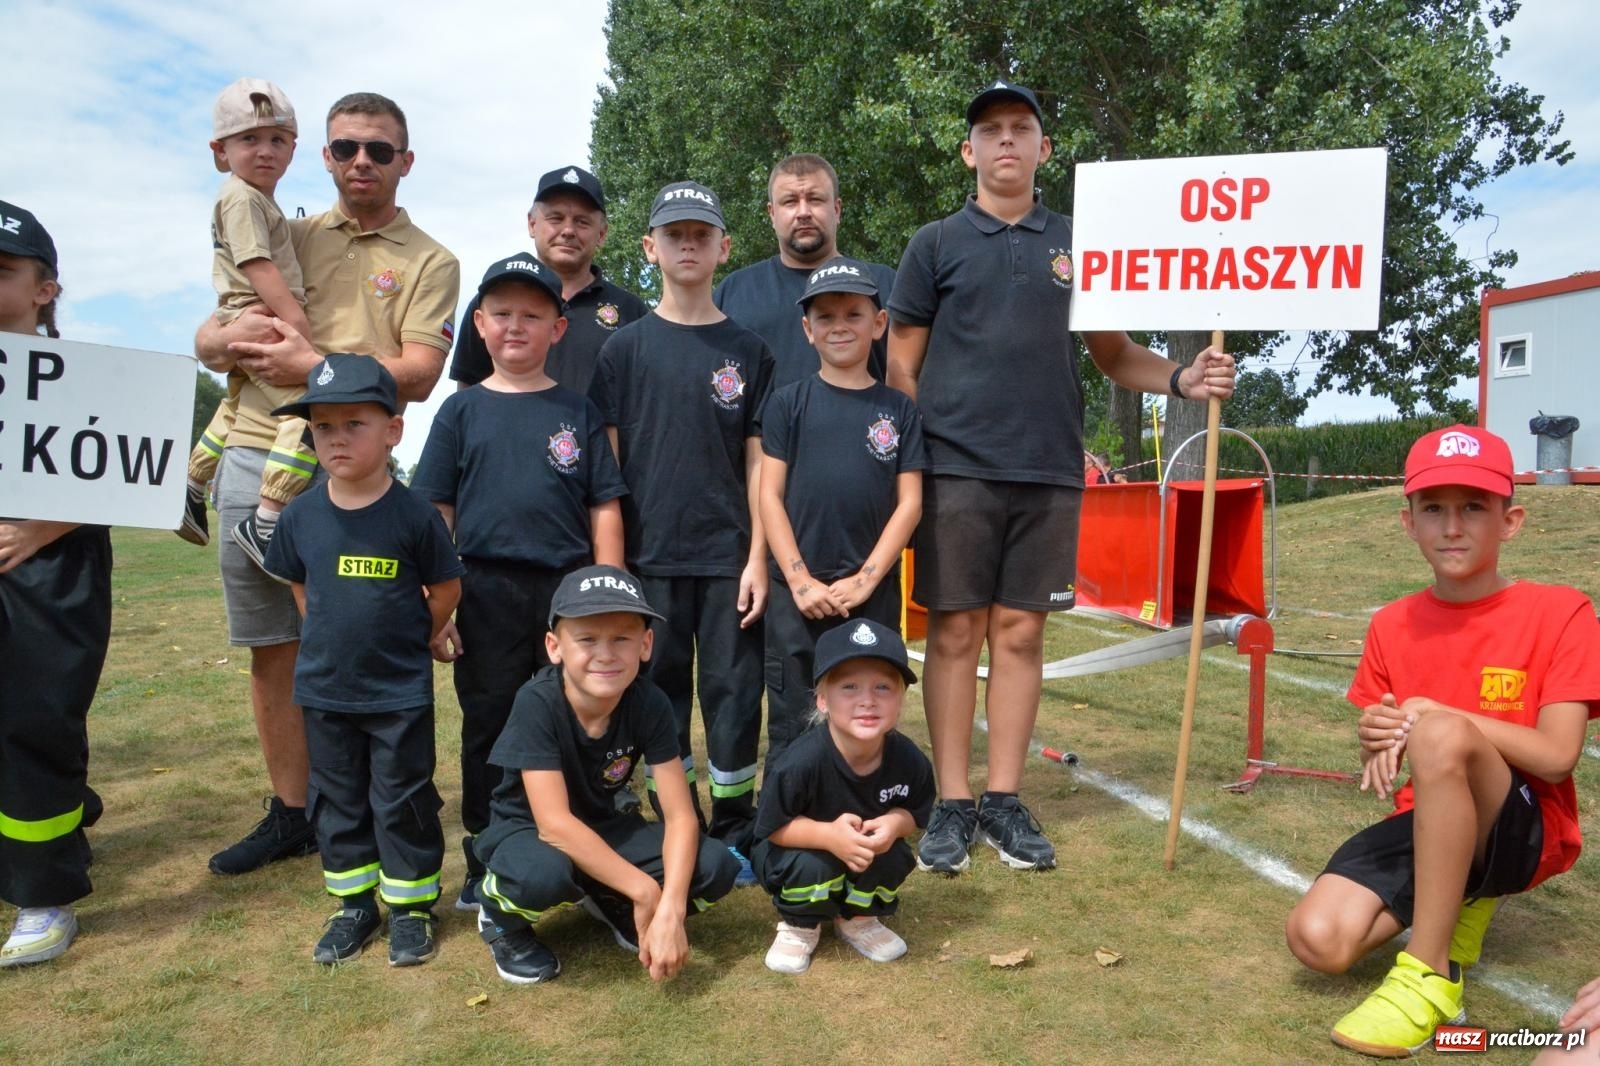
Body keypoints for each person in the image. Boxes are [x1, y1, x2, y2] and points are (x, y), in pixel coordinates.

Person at [887, 80, 1234, 876]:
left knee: (1020, 634)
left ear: (1046, 148)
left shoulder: (1082, 244)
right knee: (952, 633)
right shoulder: (934, 244)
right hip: (954, 473)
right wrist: (917, 459)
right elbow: (900, 367)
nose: (1006, 141)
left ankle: (1004, 800)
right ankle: (953, 802)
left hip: (1048, 470)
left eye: (1022, 128)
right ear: (968, 151)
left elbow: (1116, 356)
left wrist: (1186, 377)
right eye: (990, 130)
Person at [195, 91, 459, 877]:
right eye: (345, 148)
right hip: (251, 451)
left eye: (379, 150)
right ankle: (294, 812)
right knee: (274, 649)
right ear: (327, 157)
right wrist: (212, 339)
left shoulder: (431, 261)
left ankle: (374, 802)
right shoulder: (287, 232)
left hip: (359, 475)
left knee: (358, 638)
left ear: (404, 162)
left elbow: (418, 372)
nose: (361, 163)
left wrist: (316, 370)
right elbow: (218, 327)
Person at [1283, 424, 1600, 1057]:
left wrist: (1439, 719)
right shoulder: (1391, 623)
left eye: (1474, 507)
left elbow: (1558, 755)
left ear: (1511, 521)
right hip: (1431, 817)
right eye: (1434, 508)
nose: (1452, 526)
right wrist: (1376, 737)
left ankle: (1429, 974)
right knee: (1317, 941)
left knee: (1444, 732)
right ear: (1409, 523)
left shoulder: (1563, 611)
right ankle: (1460, 903)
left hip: (1526, 828)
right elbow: (1384, 738)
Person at [412, 253, 627, 913]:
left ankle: (587, 845)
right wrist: (436, 604)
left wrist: (611, 597)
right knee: (490, 721)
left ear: (557, 329)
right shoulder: (460, 413)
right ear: (479, 324)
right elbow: (434, 515)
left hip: (569, 593)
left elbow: (604, 507)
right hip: (483, 591)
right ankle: (489, 850)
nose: (515, 327)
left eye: (532, 315)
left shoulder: (578, 411)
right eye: (501, 314)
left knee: (581, 717)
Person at [589, 181, 774, 869]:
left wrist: (758, 557)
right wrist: (612, 563)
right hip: (647, 562)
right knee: (655, 694)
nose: (688, 244)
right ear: (650, 248)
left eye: (702, 233)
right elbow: (605, 470)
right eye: (674, 234)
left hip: (728, 558)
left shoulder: (749, 351)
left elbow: (760, 466)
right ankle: (673, 814)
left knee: (732, 692)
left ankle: (733, 819)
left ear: (724, 246)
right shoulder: (624, 350)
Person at [261, 354, 464, 966]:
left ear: (393, 430)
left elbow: (447, 588)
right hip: (324, 692)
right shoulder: (299, 516)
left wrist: (418, 636)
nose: (338, 438)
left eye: (355, 423)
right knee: (337, 799)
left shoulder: (413, 515)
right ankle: (354, 905)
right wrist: (329, 634)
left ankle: (409, 910)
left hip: (397, 692)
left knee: (401, 798)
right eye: (324, 427)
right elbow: (302, 591)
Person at [474, 565, 740, 984]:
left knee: (716, 865)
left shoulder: (649, 702)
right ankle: (498, 916)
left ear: (646, 644)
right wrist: (646, 889)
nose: (606, 653)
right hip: (529, 832)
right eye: (587, 639)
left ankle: (608, 896)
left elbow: (681, 816)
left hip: (607, 826)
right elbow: (555, 825)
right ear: (554, 647)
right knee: (542, 875)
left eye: (622, 638)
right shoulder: (537, 702)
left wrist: (671, 907)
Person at [757, 256, 925, 770]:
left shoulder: (899, 410)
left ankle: (864, 802)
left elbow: (911, 502)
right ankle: (786, 816)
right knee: (794, 711)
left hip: (868, 592)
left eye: (853, 314)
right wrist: (800, 579)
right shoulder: (787, 403)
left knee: (863, 700)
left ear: (878, 325)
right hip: (796, 595)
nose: (839, 326)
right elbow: (768, 496)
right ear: (807, 330)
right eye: (825, 317)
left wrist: (867, 578)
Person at [0, 201, 111, 967]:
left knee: (35, 721)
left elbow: (146, 477)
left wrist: (46, 526)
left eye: (3, 272)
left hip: (50, 569)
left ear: (45, 288)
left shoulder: (98, 380)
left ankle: (43, 894)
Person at [179, 77, 316, 550]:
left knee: (233, 408)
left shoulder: (256, 198)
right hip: (257, 315)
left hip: (238, 315)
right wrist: (295, 322)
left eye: (277, 140)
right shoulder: (241, 196)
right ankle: (267, 522)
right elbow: (256, 264)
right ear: (220, 151)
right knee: (309, 410)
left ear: (293, 149)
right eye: (249, 140)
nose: (264, 151)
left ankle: (190, 487)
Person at [752, 618, 933, 974]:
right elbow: (772, 828)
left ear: (900, 699)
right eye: (849, 687)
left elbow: (917, 812)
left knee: (895, 855)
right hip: (796, 851)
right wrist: (828, 837)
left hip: (864, 855)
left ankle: (859, 919)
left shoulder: (909, 759)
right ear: (822, 700)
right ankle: (799, 925)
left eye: (883, 687)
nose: (868, 700)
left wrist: (896, 824)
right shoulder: (800, 762)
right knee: (811, 865)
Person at [449, 166, 648, 394]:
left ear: (601, 234)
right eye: (556, 218)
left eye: (582, 222)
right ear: (532, 224)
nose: (568, 230)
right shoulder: (492, 302)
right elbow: (467, 392)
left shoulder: (632, 312)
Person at [714, 154, 897, 388]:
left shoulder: (884, 285)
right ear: (772, 213)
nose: (803, 212)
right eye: (790, 201)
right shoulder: (735, 292)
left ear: (837, 209)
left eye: (815, 199)